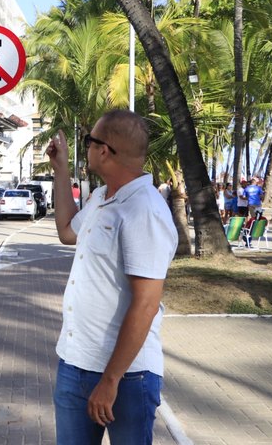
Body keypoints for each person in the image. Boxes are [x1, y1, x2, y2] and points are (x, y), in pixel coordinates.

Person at [45, 110, 177, 445]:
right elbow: (66, 231)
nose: (86, 147)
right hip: (75, 362)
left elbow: (145, 304)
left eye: (89, 141)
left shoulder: (143, 210)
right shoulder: (104, 197)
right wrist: (61, 173)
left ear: (104, 150)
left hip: (127, 377)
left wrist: (110, 379)